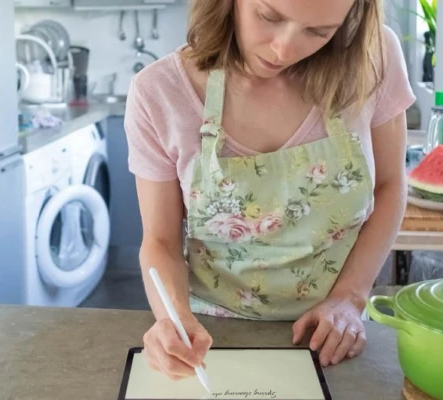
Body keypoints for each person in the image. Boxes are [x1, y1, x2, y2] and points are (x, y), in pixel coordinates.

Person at [124, 0, 415, 382]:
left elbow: (391, 186)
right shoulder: (159, 93)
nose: (284, 50)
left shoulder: (374, 56)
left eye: (318, 32)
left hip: (332, 336)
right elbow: (160, 241)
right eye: (269, 16)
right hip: (212, 335)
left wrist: (349, 299)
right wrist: (173, 320)